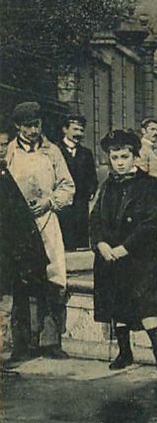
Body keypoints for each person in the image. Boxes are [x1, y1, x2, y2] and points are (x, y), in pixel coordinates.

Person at [90, 129, 157, 373]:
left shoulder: (150, 185)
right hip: (110, 256)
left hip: (138, 256)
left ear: (135, 157)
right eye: (114, 158)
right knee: (118, 304)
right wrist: (101, 244)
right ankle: (124, 352)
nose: (119, 163)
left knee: (146, 303)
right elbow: (95, 219)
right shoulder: (108, 186)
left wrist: (126, 248)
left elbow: (152, 221)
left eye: (124, 157)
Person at [6, 101, 74, 361]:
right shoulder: (9, 152)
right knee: (21, 281)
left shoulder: (52, 151)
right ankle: (21, 345)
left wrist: (50, 202)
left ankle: (50, 341)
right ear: (17, 127)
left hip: (47, 223)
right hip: (19, 227)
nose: (33, 131)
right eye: (27, 126)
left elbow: (68, 186)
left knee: (53, 279)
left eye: (36, 125)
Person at [0, 125, 49, 368]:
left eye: (3, 145)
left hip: (10, 250)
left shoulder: (4, 173)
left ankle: (15, 349)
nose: (1, 150)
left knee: (12, 300)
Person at [56, 113, 98, 251]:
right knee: (63, 234)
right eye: (75, 129)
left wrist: (91, 189)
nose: (79, 134)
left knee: (80, 235)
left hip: (81, 200)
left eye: (81, 130)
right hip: (62, 200)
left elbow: (92, 176)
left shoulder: (86, 153)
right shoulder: (55, 150)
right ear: (65, 129)